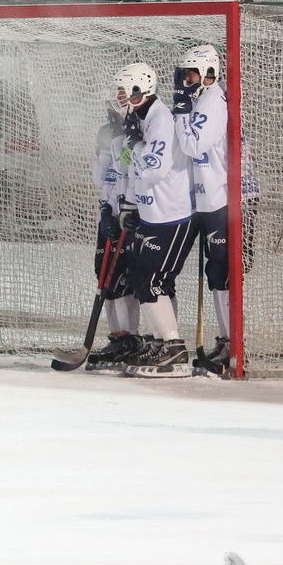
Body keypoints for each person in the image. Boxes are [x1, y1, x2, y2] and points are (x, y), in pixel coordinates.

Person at [114, 61, 196, 377]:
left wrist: (135, 146)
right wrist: (130, 204)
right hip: (151, 213)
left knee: (151, 281)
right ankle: (158, 341)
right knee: (144, 280)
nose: (120, 96)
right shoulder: (140, 118)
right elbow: (133, 170)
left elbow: (152, 169)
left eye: (124, 90)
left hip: (171, 215)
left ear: (140, 90)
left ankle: (173, 348)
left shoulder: (161, 119)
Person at [173, 44, 231, 375]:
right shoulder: (202, 99)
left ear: (209, 73)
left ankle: (231, 342)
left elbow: (194, 145)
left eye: (192, 73)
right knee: (215, 273)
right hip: (206, 199)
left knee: (222, 273)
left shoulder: (213, 101)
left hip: (222, 198)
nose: (186, 79)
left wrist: (181, 112)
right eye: (184, 74)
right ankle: (226, 339)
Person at [85, 102, 141, 371]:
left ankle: (130, 338)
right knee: (104, 279)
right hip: (107, 220)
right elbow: (101, 181)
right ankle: (116, 337)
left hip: (126, 221)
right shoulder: (109, 151)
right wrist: (104, 148)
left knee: (122, 283)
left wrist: (121, 213)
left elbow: (128, 177)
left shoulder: (130, 147)